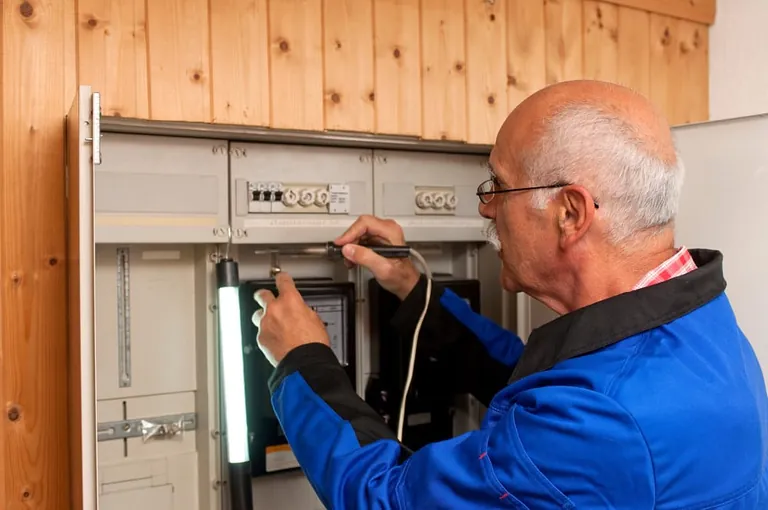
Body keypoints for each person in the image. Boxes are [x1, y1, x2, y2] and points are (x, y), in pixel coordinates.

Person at [251, 80, 768, 508]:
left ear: (570, 213)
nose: (485, 208)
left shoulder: (601, 420)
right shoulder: (699, 328)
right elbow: (528, 375)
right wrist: (412, 289)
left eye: (498, 184)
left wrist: (303, 360)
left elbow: (386, 499)